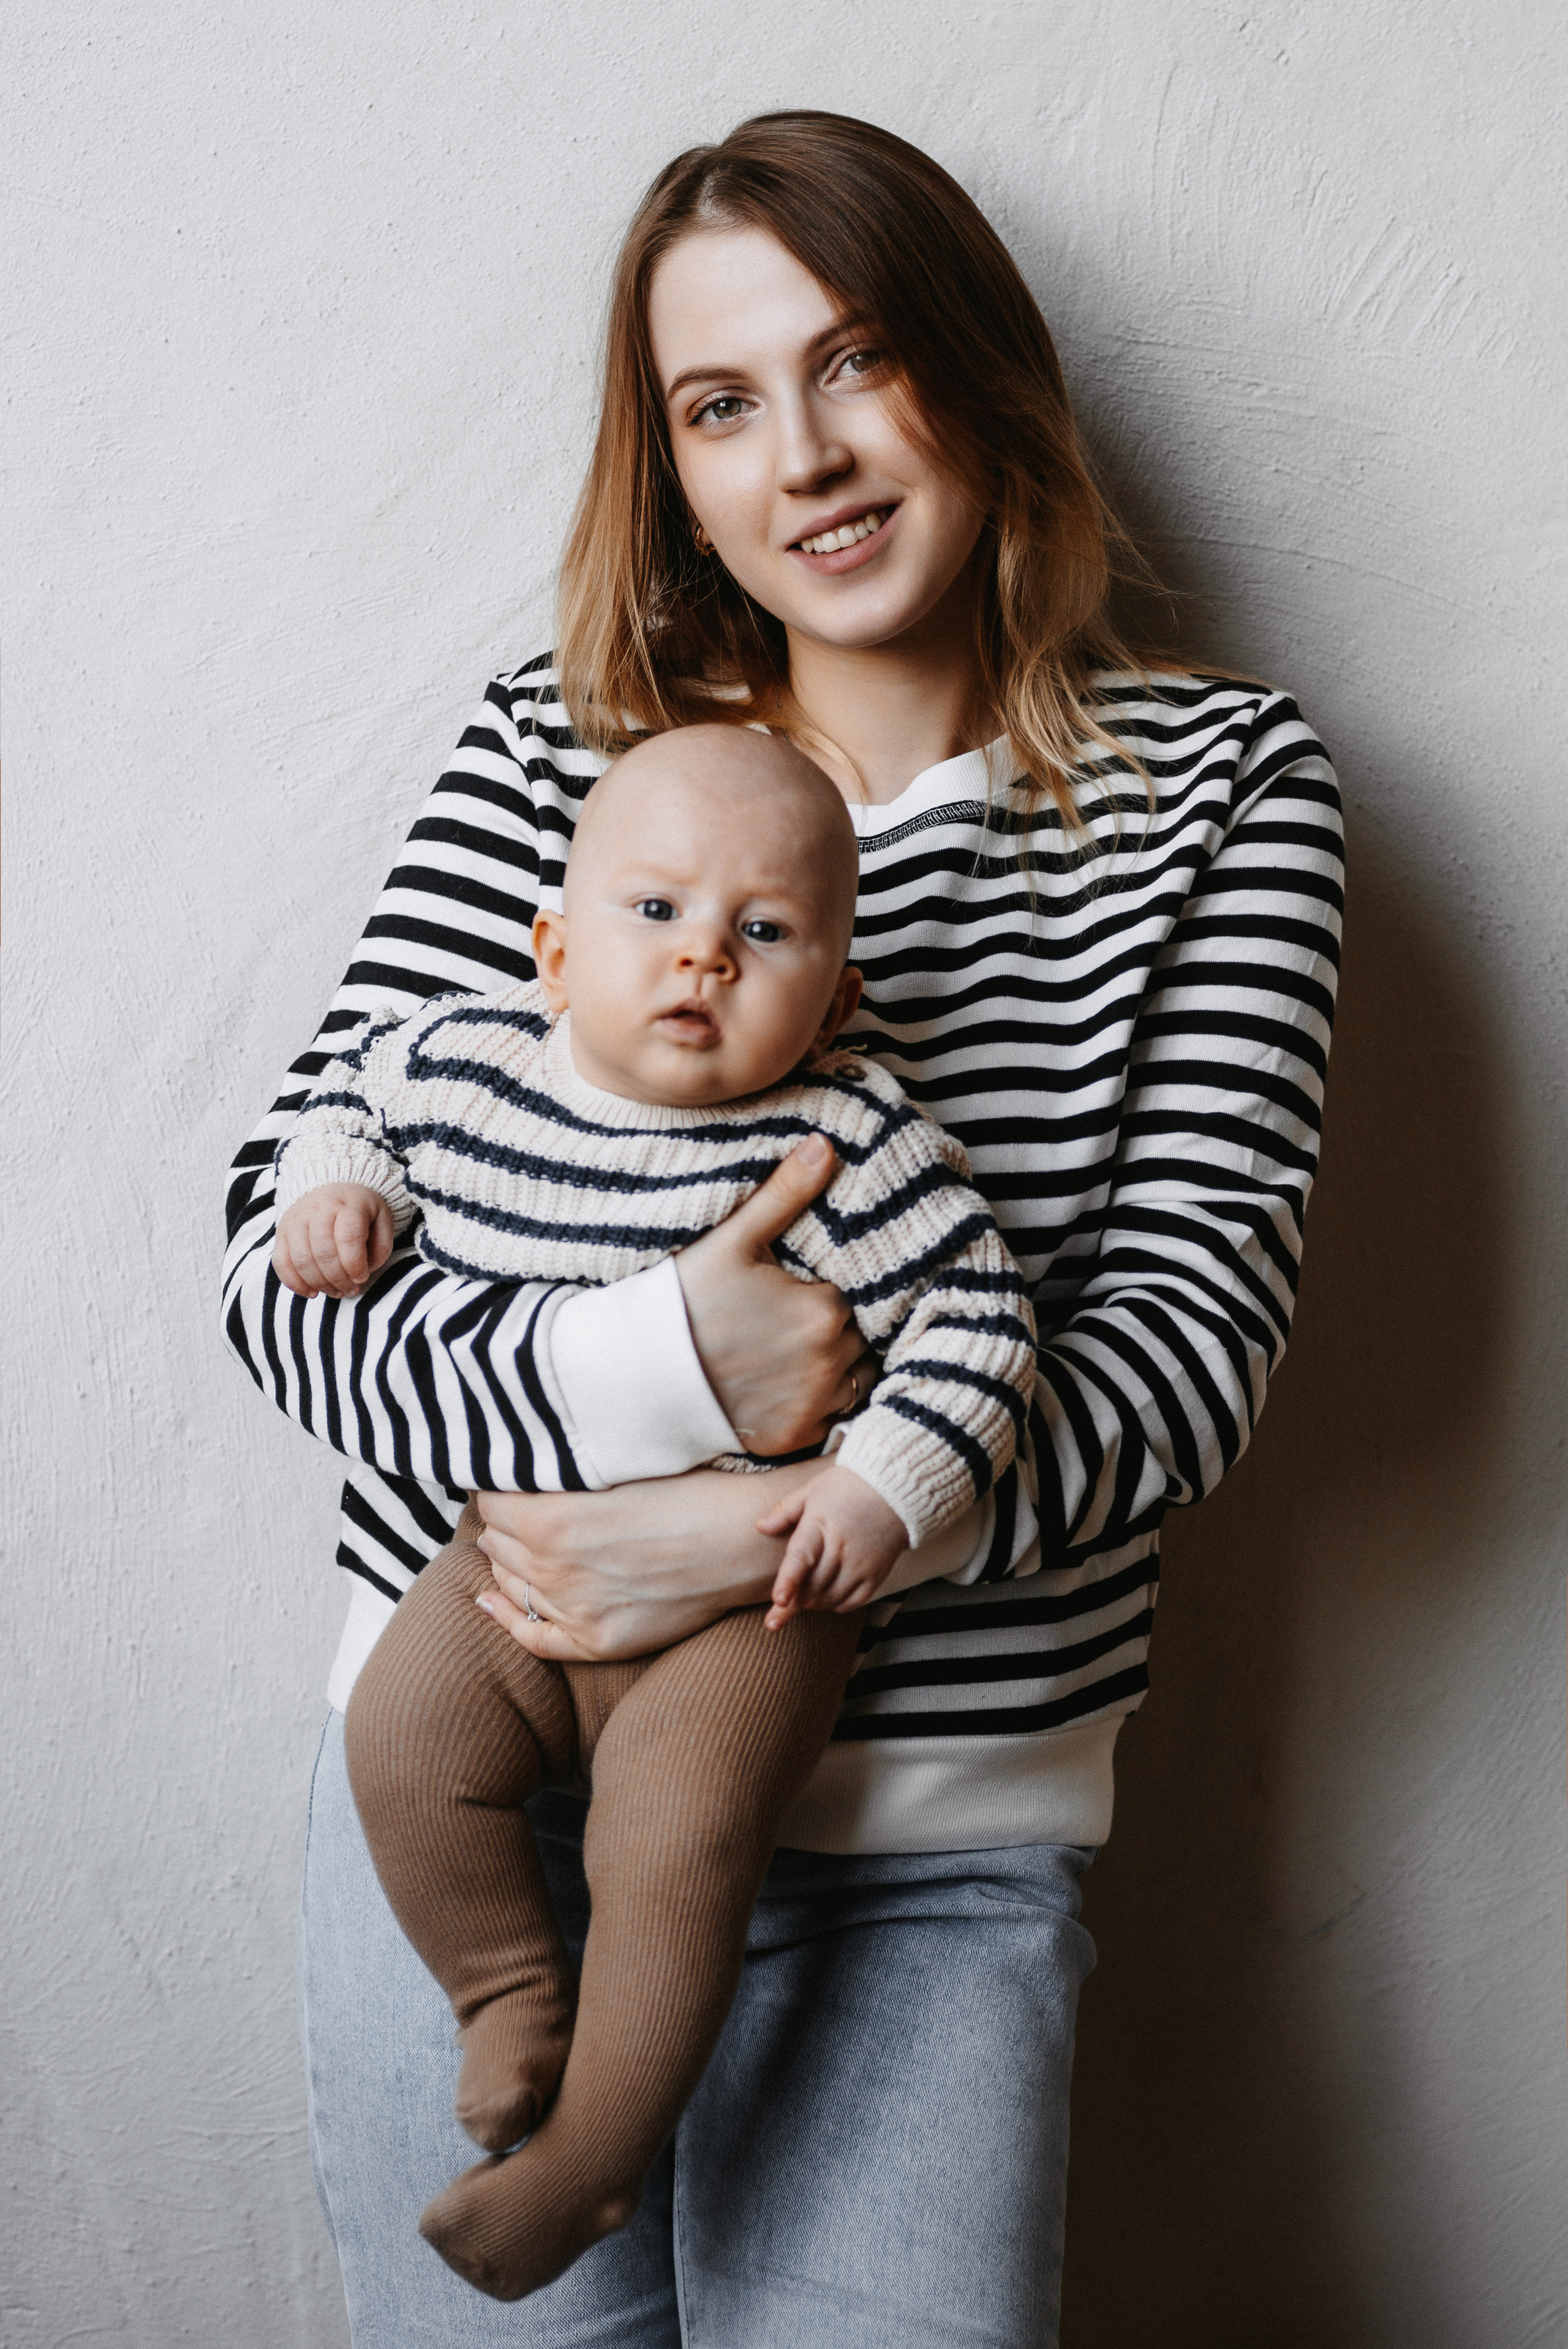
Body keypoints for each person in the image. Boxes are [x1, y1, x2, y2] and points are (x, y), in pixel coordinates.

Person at [222, 110, 1343, 2349]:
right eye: (721, 404)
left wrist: (760, 1541)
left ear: (976, 373)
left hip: (928, 1864)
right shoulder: (567, 755)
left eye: (858, 363)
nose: (806, 457)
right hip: (476, 1813)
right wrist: (659, 1390)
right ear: (674, 466)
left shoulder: (1223, 792)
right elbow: (286, 1264)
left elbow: (1186, 1349)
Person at [271, 724, 1038, 2300]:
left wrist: (877, 1488)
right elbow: (346, 1104)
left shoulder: (850, 1139)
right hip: (508, 1565)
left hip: (743, 1609)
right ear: (554, 946)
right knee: (401, 1744)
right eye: (654, 914)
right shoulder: (462, 1064)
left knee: (673, 1838)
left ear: (829, 997)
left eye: (761, 934)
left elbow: (982, 1327)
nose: (701, 957)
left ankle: (592, 2155)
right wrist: (331, 1193)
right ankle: (501, 1998)